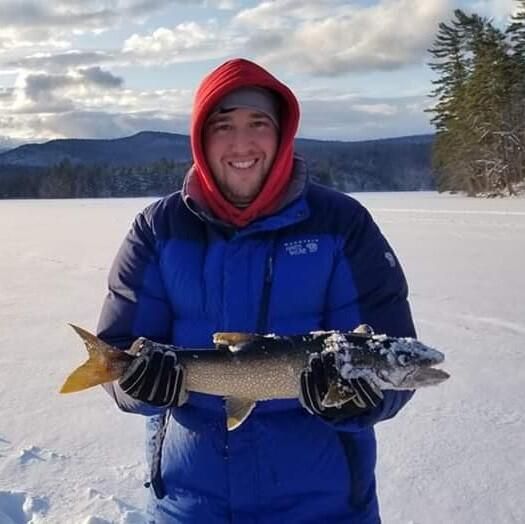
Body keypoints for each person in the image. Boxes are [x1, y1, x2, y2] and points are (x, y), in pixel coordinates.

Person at [96, 58, 416, 524]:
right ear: (201, 139)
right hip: (190, 506)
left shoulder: (342, 225)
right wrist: (135, 384)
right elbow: (116, 354)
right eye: (222, 126)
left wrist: (363, 397)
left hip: (324, 507)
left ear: (282, 133)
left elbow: (390, 353)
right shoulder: (158, 229)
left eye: (258, 124)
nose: (241, 143)